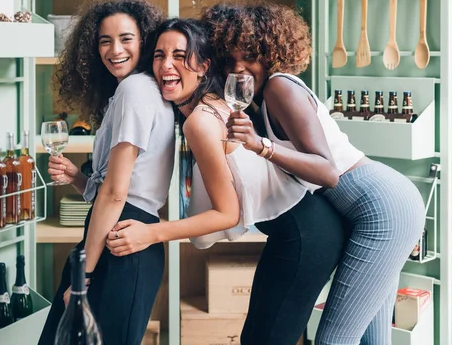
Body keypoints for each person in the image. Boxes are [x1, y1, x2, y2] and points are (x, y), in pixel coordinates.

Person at [105, 18, 346, 344]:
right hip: (302, 231)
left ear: (204, 66)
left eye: (180, 55)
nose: (166, 65)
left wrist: (151, 233)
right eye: (159, 56)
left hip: (306, 236)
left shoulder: (201, 122)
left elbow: (227, 214)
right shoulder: (210, 106)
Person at [203, 2, 427, 344]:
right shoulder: (261, 98)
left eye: (248, 55)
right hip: (373, 209)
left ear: (269, 51)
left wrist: (261, 145)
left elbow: (328, 172)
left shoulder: (280, 87)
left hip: (383, 211)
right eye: (229, 60)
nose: (239, 67)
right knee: (372, 340)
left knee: (333, 340)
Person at [38, 0, 174, 345]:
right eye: (105, 40)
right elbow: (119, 183)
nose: (115, 49)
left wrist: (81, 280)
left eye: (126, 38)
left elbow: (116, 195)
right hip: (119, 236)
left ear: (144, 40)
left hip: (120, 242)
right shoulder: (135, 89)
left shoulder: (134, 90)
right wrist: (77, 177)